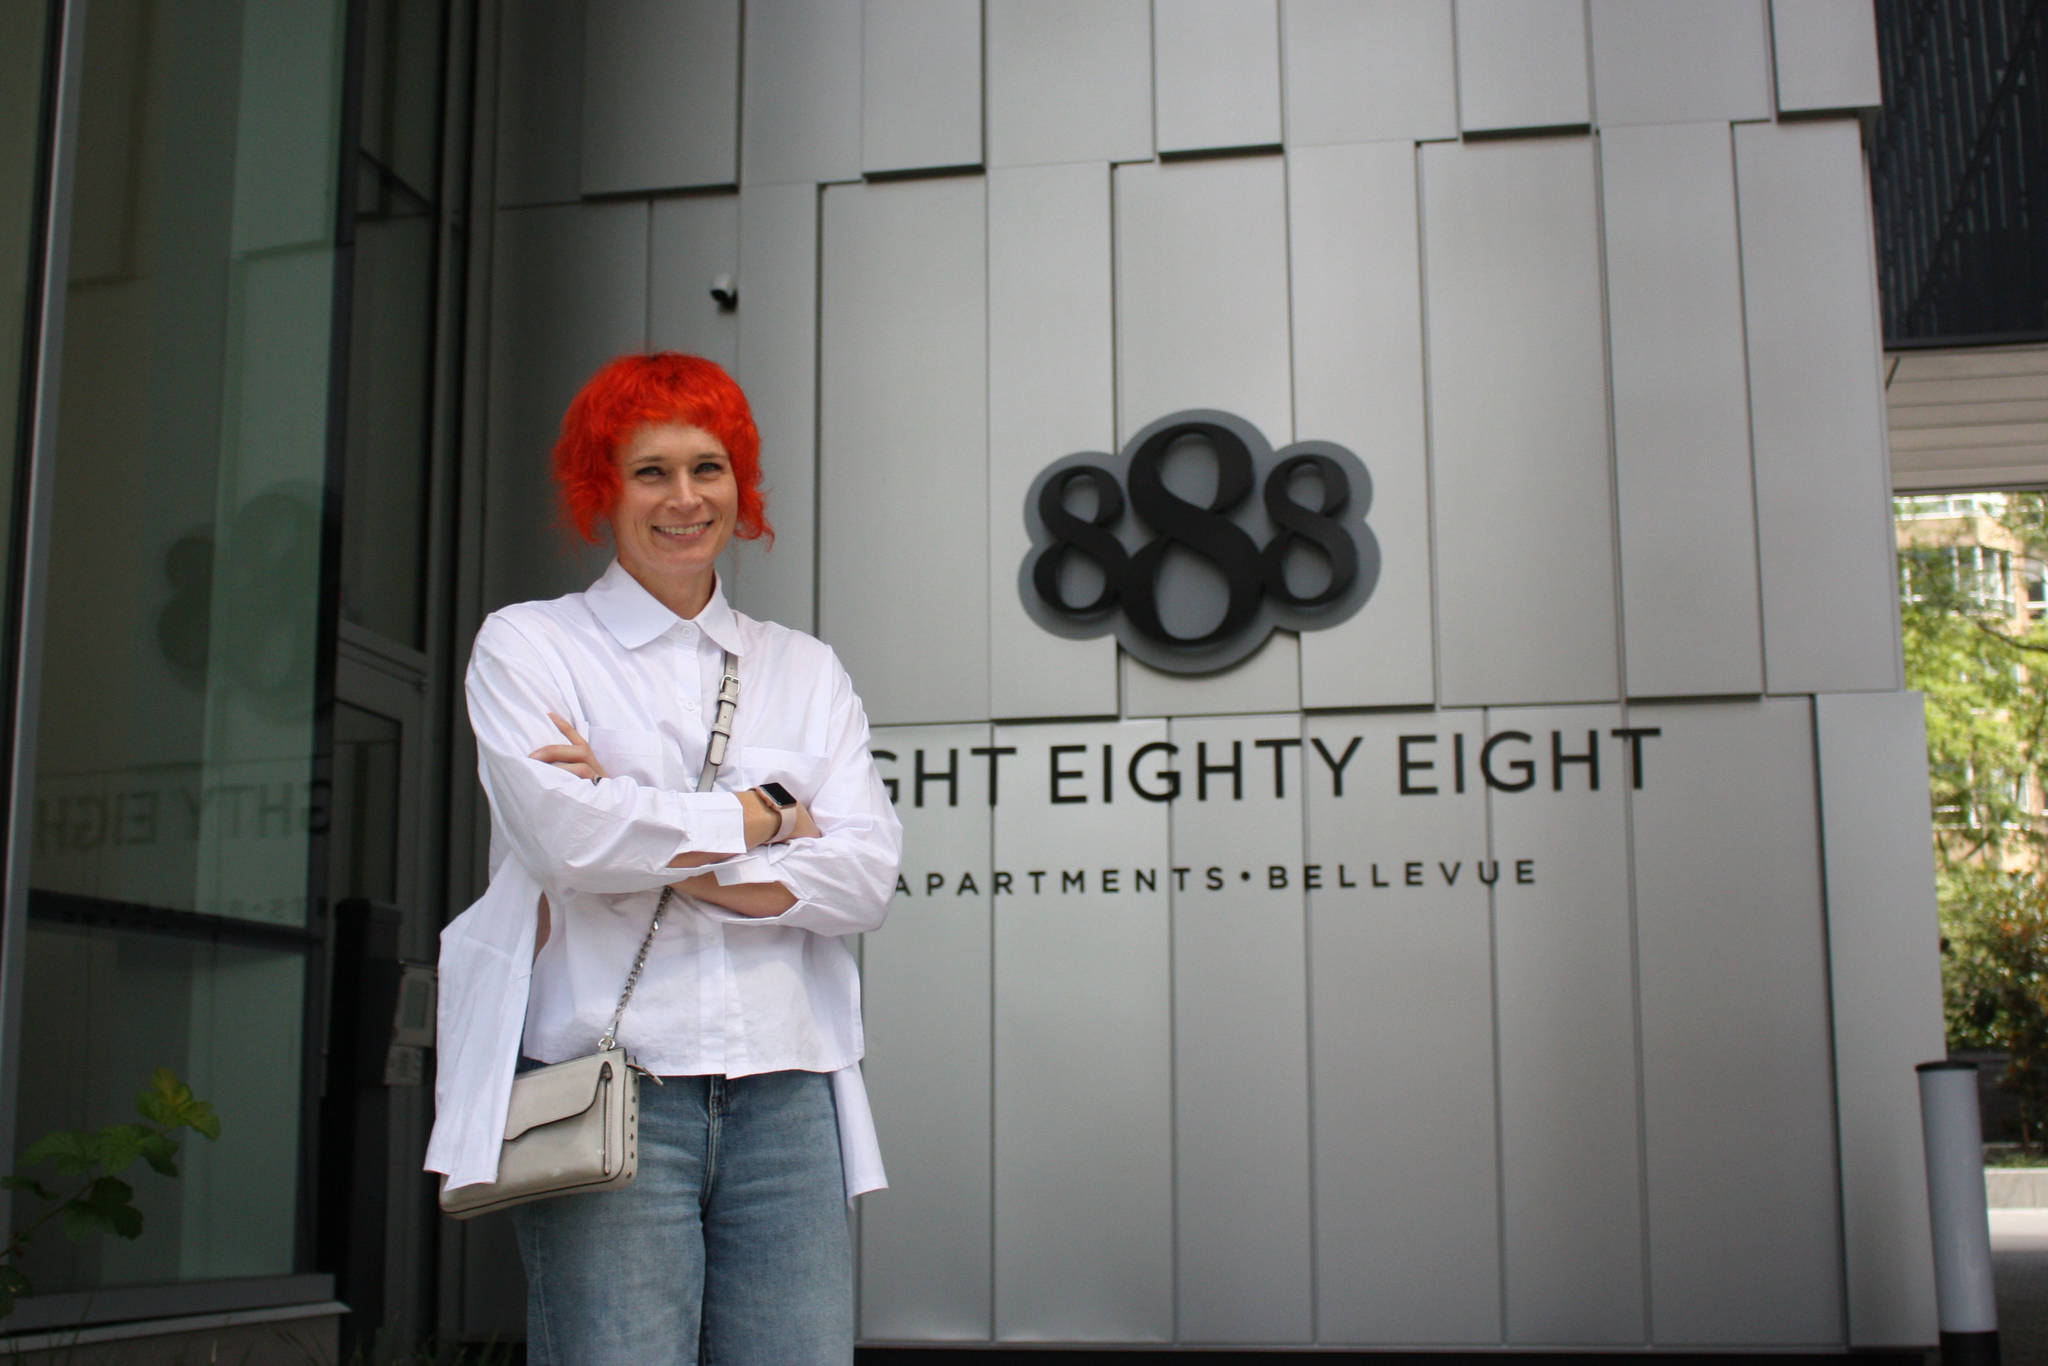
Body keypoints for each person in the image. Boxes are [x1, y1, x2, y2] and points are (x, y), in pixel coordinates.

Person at [425, 352, 902, 1365]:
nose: (684, 498)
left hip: (788, 1092)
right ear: (600, 488)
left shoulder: (803, 668)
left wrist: (648, 831)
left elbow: (865, 879)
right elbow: (568, 839)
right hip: (609, 1082)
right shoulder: (530, 647)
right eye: (650, 471)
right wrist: (769, 819)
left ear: (739, 483)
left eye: (706, 467)